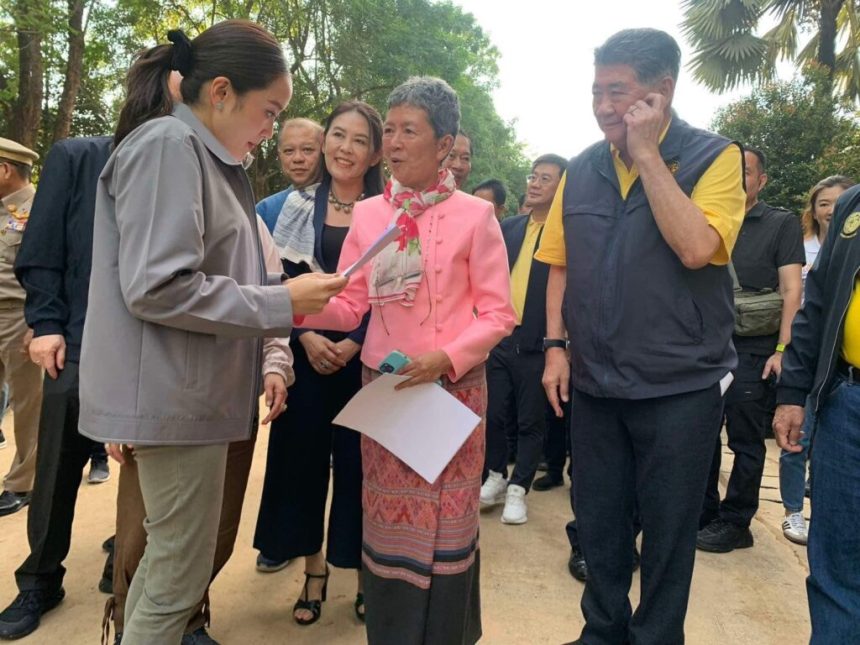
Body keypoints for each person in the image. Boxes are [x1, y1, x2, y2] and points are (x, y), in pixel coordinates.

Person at [76, 22, 344, 644]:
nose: (272, 129)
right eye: (269, 111)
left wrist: (282, 313)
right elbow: (158, 286)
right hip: (173, 396)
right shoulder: (171, 146)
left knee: (171, 565)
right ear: (221, 91)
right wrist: (282, 302)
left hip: (190, 396)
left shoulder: (205, 158)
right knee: (177, 574)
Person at [538, 29, 745, 644]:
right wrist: (554, 346)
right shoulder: (582, 168)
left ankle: (657, 638)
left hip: (679, 387)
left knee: (668, 532)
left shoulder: (715, 157)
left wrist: (648, 153)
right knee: (598, 526)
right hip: (597, 384)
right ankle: (601, 633)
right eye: (597, 92)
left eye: (619, 93)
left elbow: (696, 247)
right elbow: (560, 262)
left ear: (662, 92)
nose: (604, 107)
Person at [297, 76, 515, 644]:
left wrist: (446, 357)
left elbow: (498, 314)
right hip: (389, 390)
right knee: (391, 521)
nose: (392, 142)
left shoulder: (475, 216)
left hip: (455, 392)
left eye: (408, 131)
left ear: (444, 145)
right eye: (388, 130)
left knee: (448, 521)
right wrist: (293, 308)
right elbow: (350, 303)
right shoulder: (371, 214)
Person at [109, 216, 294, 645]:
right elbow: (123, 312)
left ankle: (188, 620)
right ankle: (128, 626)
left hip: (230, 401)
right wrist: (118, 406)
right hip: (162, 406)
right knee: (146, 537)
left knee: (216, 532)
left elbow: (269, 295)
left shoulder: (245, 215)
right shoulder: (156, 200)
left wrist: (274, 364)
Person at [253, 100, 384, 626]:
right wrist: (303, 337)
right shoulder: (284, 208)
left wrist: (354, 339)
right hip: (302, 356)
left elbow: (400, 290)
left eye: (358, 140)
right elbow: (266, 282)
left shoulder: (391, 210)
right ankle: (313, 572)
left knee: (360, 470)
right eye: (337, 135)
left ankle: (362, 574)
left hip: (366, 359)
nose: (343, 148)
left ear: (375, 152)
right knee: (300, 465)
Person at [697, 148, 804, 553]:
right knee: (702, 433)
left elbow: (792, 288)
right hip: (704, 347)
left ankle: (736, 521)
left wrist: (783, 348)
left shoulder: (780, 224)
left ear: (761, 180)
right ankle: (702, 512)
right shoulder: (704, 218)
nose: (737, 180)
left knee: (744, 438)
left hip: (753, 349)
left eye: (745, 173)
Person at [774, 183, 860, 644]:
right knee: (838, 562)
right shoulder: (853, 206)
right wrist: (792, 394)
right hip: (848, 403)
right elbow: (817, 305)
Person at [480, 154, 565, 524]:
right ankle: (496, 476)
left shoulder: (567, 234)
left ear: (562, 187)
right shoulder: (510, 227)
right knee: (493, 414)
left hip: (537, 342)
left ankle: (519, 489)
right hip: (499, 338)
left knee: (531, 421)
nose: (535, 183)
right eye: (534, 176)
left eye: (546, 179)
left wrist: (560, 343)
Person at [777, 174, 853, 545]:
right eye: (824, 203)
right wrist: (789, 377)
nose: (831, 210)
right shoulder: (806, 245)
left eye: (837, 203)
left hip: (838, 377)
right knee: (798, 439)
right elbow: (809, 306)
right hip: (826, 371)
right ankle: (794, 510)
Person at [0, 138, 43, 518]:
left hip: (20, 316)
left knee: (28, 404)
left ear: (5, 169)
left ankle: (21, 482)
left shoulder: (40, 208)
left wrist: (39, 322)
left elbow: (47, 273)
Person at [255, 118, 324, 232]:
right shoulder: (265, 211)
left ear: (324, 151)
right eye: (288, 151)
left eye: (307, 149)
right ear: (279, 155)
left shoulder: (341, 206)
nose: (297, 158)